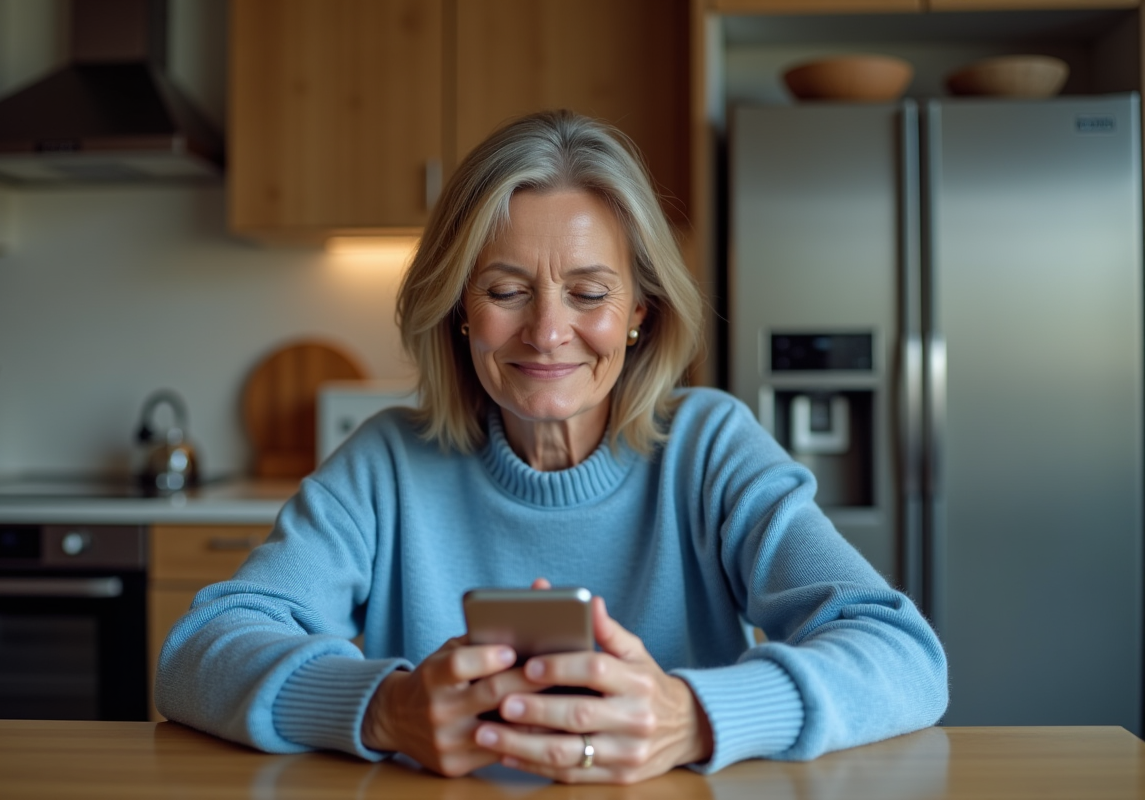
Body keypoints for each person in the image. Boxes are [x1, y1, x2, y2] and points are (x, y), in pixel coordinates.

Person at [155, 109, 948, 784]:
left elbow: (904, 655)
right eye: (505, 292)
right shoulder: (386, 464)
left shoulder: (708, 448)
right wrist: (387, 709)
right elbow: (198, 655)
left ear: (640, 309)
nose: (547, 331)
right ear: (459, 310)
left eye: (589, 293)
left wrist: (695, 718)